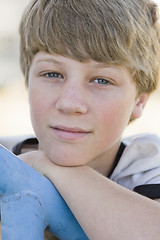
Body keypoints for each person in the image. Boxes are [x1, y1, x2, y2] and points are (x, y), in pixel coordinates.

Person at [6, 0, 160, 239]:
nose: (70, 104)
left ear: (139, 102)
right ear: (29, 84)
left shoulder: (147, 167)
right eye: (52, 74)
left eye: (102, 80)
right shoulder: (6, 156)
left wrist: (52, 168)